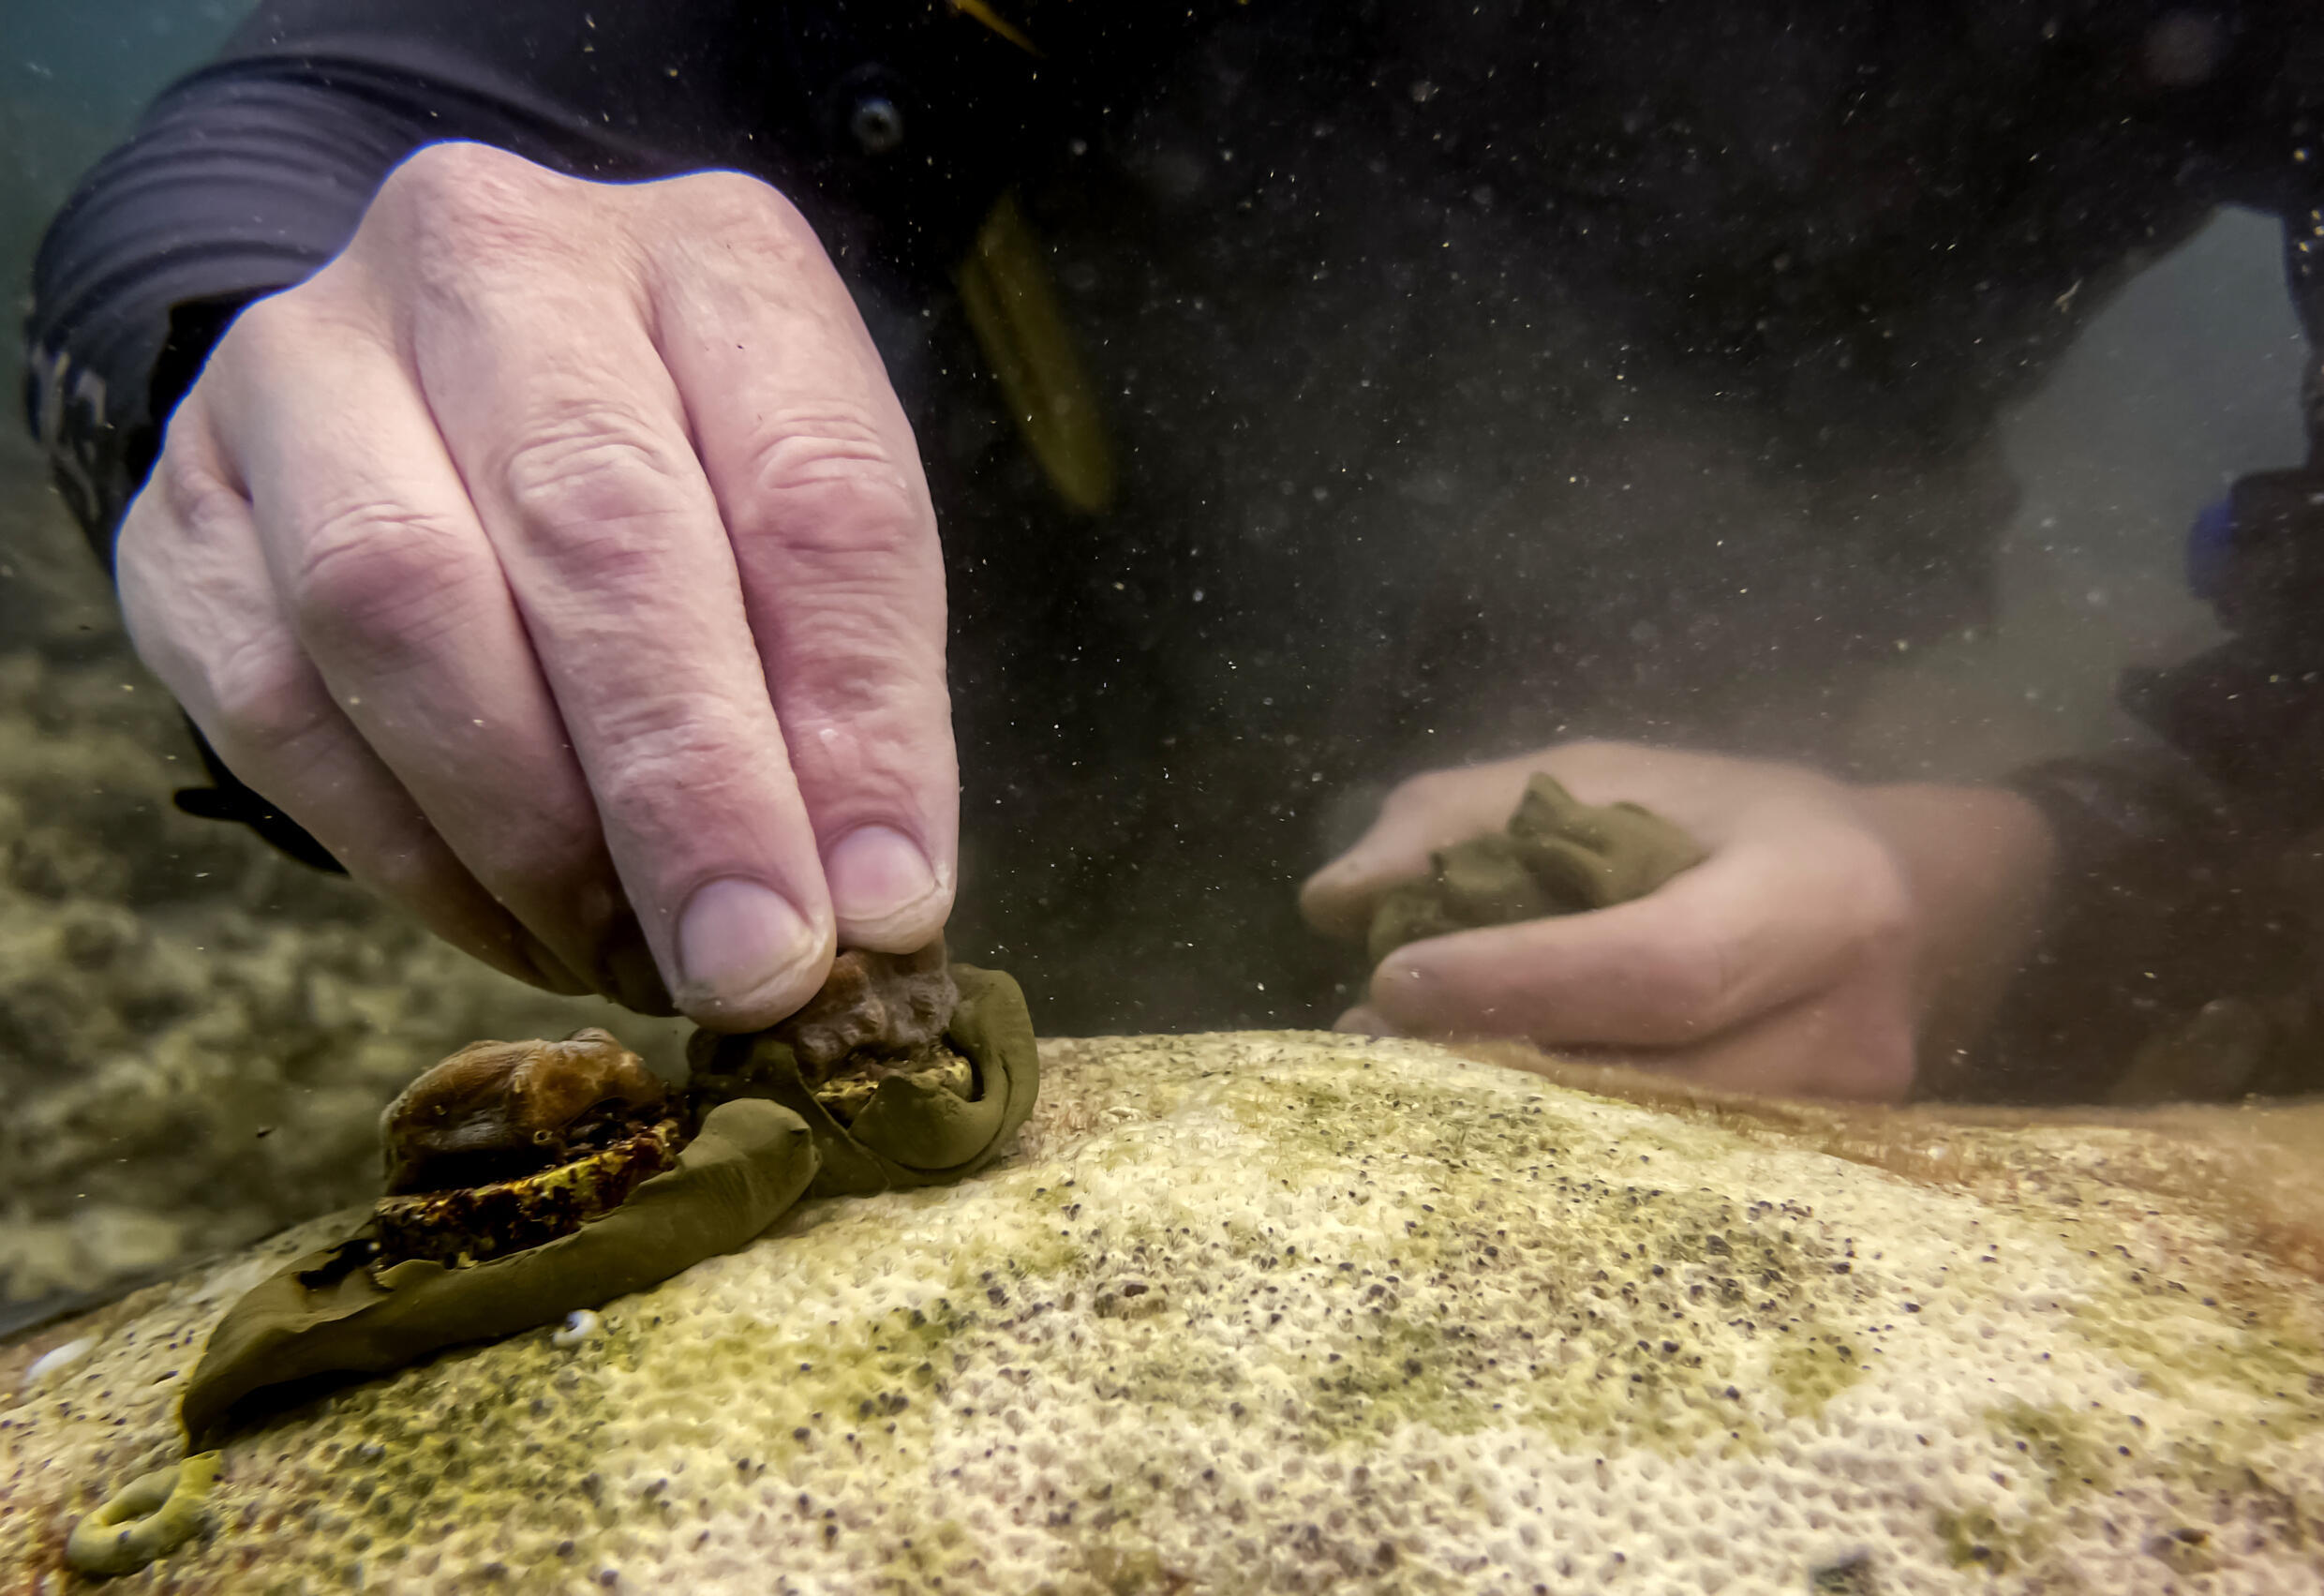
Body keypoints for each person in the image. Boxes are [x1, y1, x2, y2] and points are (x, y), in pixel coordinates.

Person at [25, 0, 2324, 1100]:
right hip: (995, 740)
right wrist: (262, 369)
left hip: (1773, 749)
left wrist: (2030, 875)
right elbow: (326, 126)